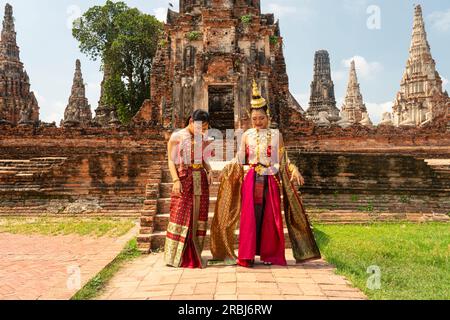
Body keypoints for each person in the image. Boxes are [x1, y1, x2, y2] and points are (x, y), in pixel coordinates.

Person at [211, 80, 321, 267]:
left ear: (267, 116)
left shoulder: (276, 135)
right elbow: (239, 158)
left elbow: (283, 159)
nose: (258, 122)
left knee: (270, 218)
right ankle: (246, 256)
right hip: (251, 177)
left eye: (261, 118)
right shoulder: (246, 135)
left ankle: (270, 255)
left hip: (270, 177)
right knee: (249, 218)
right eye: (254, 119)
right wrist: (227, 168)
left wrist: (294, 169)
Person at [164, 110, 213, 268]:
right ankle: (176, 255)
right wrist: (175, 180)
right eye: (199, 127)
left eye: (205, 128)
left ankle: (195, 251)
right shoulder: (176, 136)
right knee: (181, 213)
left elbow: (204, 159)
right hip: (184, 178)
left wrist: (210, 170)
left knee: (198, 213)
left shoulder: (203, 138)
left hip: (200, 178)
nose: (202, 131)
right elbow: (171, 161)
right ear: (191, 121)